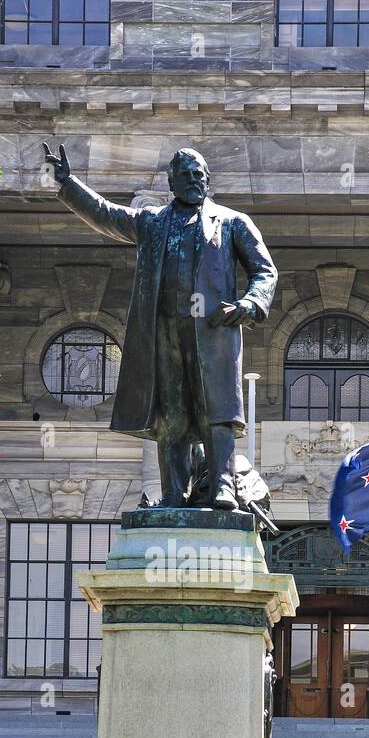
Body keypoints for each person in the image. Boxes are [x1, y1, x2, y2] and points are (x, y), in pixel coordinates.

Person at [42, 141, 277, 510]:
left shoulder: (232, 223)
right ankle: (172, 492)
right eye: (184, 175)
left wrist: (249, 304)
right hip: (165, 331)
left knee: (218, 411)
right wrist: (68, 184)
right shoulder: (151, 222)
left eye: (198, 174)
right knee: (172, 415)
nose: (192, 180)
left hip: (213, 331)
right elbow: (107, 214)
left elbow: (264, 271)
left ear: (208, 179)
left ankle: (223, 487)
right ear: (171, 182)